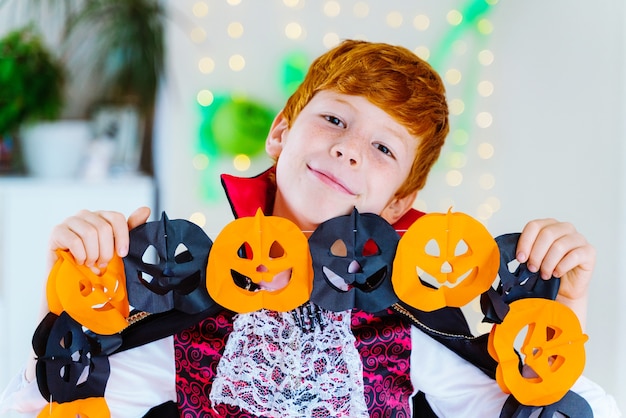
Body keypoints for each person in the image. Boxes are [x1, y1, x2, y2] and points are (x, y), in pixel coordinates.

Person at [0, 39, 620, 417]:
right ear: (280, 134)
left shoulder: (412, 332)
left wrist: (566, 311)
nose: (350, 150)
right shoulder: (187, 307)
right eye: (333, 119)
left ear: (401, 200)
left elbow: (536, 409)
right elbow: (52, 406)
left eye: (383, 148)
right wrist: (75, 302)